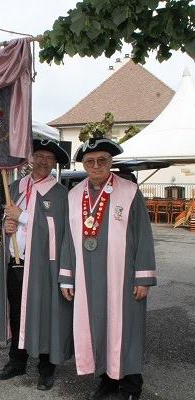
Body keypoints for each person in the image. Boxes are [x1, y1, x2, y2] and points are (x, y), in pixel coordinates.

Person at [60, 138, 157, 400]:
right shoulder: (73, 195)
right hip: (87, 276)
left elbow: (143, 236)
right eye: (90, 161)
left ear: (110, 162)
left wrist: (143, 277)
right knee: (97, 327)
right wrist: (66, 278)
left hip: (123, 277)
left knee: (127, 329)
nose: (96, 165)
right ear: (83, 164)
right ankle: (106, 380)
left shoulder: (129, 191)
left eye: (102, 160)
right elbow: (68, 239)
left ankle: (131, 384)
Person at [0, 139, 74, 391]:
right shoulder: (16, 186)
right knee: (17, 313)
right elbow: (10, 221)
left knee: (46, 314)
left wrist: (23, 217)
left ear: (54, 163)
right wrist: (7, 227)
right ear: (30, 158)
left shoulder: (61, 194)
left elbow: (58, 231)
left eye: (49, 158)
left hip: (43, 267)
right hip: (16, 262)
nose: (42, 161)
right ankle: (17, 361)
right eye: (38, 155)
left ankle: (46, 368)